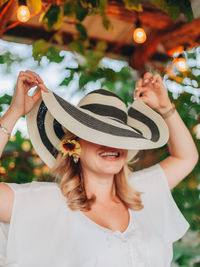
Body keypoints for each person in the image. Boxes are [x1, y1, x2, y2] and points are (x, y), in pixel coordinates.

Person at [0, 70, 198, 267]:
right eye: (97, 135)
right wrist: (14, 112)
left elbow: (186, 157)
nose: (111, 145)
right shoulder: (50, 202)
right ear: (75, 148)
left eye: (119, 137)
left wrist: (165, 108)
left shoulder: (141, 193)